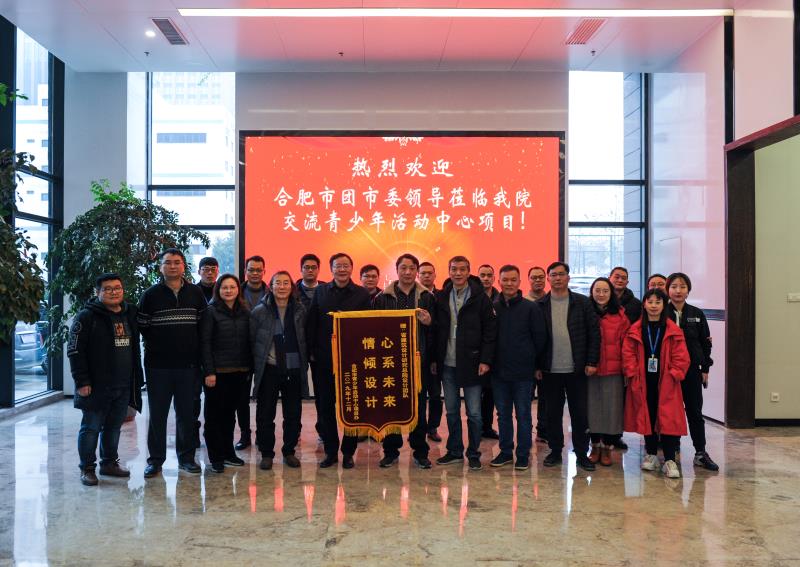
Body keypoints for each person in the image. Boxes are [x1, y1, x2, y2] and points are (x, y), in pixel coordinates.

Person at [68, 273, 143, 486]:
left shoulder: (129, 313)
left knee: (113, 427)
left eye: (117, 288)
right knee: (91, 428)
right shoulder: (86, 316)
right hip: (96, 385)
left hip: (124, 384)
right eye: (107, 289)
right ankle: (87, 468)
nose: (113, 292)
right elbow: (74, 350)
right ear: (98, 292)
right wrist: (82, 381)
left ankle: (109, 463)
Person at [138, 248, 207, 477]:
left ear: (184, 266)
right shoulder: (150, 295)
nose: (173, 266)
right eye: (168, 262)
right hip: (158, 367)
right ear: (161, 267)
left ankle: (186, 458)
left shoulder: (196, 293)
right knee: (157, 415)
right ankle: (155, 461)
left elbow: (203, 327)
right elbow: (143, 327)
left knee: (187, 415)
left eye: (177, 262)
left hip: (189, 366)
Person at [307, 253, 372, 469]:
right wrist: (311, 352)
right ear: (331, 268)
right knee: (325, 407)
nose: (342, 269)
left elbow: (369, 326)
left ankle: (348, 452)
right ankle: (330, 451)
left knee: (351, 406)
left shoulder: (362, 294)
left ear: (351, 268)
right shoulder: (321, 291)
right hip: (324, 359)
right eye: (337, 266)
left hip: (353, 360)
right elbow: (312, 322)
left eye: (345, 266)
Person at [434, 256, 497, 471]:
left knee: (475, 413)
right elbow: (437, 329)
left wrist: (485, 360)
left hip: (472, 363)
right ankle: (454, 451)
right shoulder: (441, 296)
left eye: (462, 269)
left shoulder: (480, 298)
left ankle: (473, 453)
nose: (458, 273)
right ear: (449, 271)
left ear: (469, 272)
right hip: (448, 363)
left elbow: (490, 332)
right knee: (452, 411)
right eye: (454, 269)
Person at [373, 253, 435, 469]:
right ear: (397, 270)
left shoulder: (427, 297)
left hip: (418, 362)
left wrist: (429, 323)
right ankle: (390, 451)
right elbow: (374, 331)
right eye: (403, 268)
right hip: (391, 362)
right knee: (391, 406)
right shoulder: (382, 298)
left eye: (411, 268)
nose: (407, 272)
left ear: (416, 271)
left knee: (418, 407)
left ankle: (420, 451)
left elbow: (437, 331)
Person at [537, 261, 600, 472]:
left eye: (561, 274)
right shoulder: (540, 305)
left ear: (568, 277)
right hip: (549, 370)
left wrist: (592, 361)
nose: (557, 278)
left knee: (580, 414)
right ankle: (555, 451)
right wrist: (537, 365)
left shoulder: (582, 303)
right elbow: (535, 338)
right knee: (552, 414)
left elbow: (594, 333)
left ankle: (581, 453)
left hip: (577, 369)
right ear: (548, 278)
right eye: (553, 275)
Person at [623, 288, 690, 478]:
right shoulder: (635, 329)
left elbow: (682, 356)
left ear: (664, 305)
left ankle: (670, 460)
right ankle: (651, 454)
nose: (653, 306)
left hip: (667, 381)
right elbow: (628, 353)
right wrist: (632, 372)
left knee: (668, 419)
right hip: (643, 381)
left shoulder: (673, 330)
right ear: (644, 304)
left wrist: (675, 373)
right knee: (648, 416)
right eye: (650, 302)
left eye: (658, 302)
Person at [490, 265, 546, 471]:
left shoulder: (530, 308)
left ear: (519, 282)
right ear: (499, 282)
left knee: (523, 415)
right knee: (503, 414)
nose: (509, 284)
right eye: (505, 280)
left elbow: (540, 339)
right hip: (499, 372)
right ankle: (505, 452)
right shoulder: (492, 307)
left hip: (523, 372)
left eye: (513, 280)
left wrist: (536, 364)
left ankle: (523, 455)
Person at [251, 271, 308, 470]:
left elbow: (305, 338)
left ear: (291, 287)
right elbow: (252, 340)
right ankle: (267, 453)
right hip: (269, 368)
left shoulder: (300, 310)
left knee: (293, 414)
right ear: (271, 286)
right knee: (265, 414)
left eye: (286, 283)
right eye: (278, 283)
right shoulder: (260, 311)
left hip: (293, 368)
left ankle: (289, 451)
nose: (282, 287)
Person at [666, 272, 719, 471]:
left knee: (695, 412)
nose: (678, 291)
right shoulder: (662, 312)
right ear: (668, 290)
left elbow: (706, 343)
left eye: (682, 287)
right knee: (671, 412)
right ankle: (672, 451)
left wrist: (705, 368)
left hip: (692, 371)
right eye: (674, 286)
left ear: (688, 290)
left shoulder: (697, 313)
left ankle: (700, 452)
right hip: (669, 372)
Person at [199, 274, 252, 473]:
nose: (228, 291)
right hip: (217, 374)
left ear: (238, 289)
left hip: (239, 371)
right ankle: (216, 457)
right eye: (224, 287)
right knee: (214, 416)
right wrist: (209, 372)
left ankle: (229, 453)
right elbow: (205, 343)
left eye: (232, 287)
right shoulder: (210, 311)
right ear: (218, 290)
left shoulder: (245, 311)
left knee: (230, 416)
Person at [586, 277, 630, 467]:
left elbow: (627, 345)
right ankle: (595, 446)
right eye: (597, 290)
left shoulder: (620, 315)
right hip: (591, 370)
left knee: (612, 410)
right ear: (592, 292)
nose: (601, 294)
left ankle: (607, 448)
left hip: (614, 371)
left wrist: (627, 370)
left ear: (611, 293)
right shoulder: (585, 312)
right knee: (592, 409)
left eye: (605, 290)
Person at [236, 255, 268, 450]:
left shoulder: (272, 292)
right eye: (251, 270)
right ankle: (245, 435)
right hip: (242, 352)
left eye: (258, 270)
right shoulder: (235, 292)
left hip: (266, 352)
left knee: (264, 398)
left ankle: (262, 435)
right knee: (242, 399)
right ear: (245, 271)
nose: (255, 273)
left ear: (264, 271)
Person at [295, 253, 325, 401]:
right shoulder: (292, 291)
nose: (310, 270)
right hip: (297, 344)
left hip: (319, 345)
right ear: (301, 269)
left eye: (314, 267)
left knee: (321, 387)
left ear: (318, 269)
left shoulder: (326, 289)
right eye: (306, 267)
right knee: (295, 388)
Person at [418, 261, 443, 440]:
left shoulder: (441, 297)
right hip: (417, 355)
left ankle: (433, 427)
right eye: (423, 273)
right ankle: (418, 429)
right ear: (418, 275)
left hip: (435, 354)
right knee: (418, 396)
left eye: (429, 273)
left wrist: (435, 358)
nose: (426, 276)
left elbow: (443, 326)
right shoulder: (414, 297)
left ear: (435, 275)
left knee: (435, 395)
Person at [526, 265, 548, 442]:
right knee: (525, 399)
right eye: (534, 277)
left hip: (547, 357)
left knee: (546, 398)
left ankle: (543, 430)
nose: (538, 280)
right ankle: (526, 431)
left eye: (541, 277)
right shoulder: (524, 302)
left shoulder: (551, 300)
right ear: (528, 280)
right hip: (528, 359)